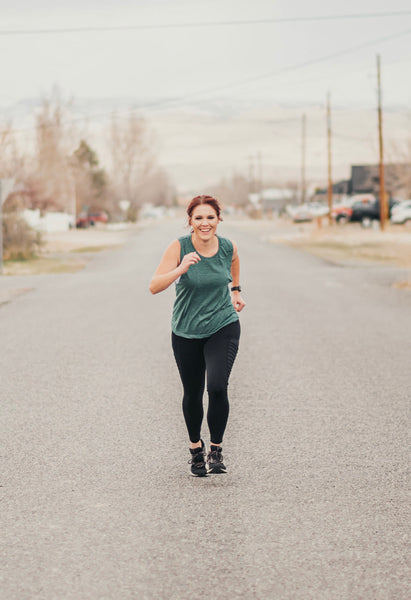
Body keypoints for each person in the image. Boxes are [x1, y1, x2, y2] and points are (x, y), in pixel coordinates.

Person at [149, 195, 246, 476]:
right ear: (190, 221)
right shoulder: (179, 247)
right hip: (186, 331)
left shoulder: (228, 246)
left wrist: (236, 291)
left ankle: (216, 449)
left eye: (210, 217)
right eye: (199, 218)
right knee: (192, 393)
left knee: (217, 387)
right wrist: (181, 269)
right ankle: (195, 450)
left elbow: (235, 262)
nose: (205, 223)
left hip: (223, 324)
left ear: (218, 220)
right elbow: (154, 286)